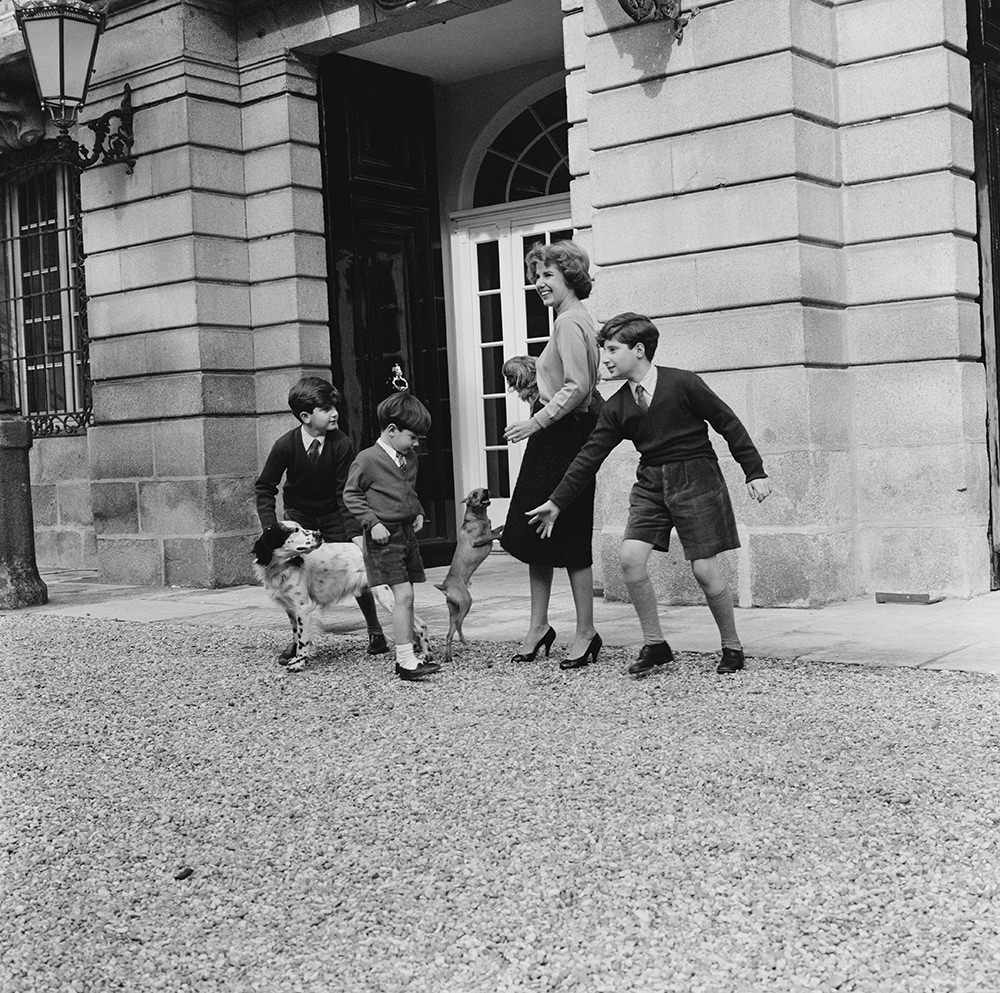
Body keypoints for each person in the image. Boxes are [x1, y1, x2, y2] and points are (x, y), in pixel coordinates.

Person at [527, 312, 772, 676]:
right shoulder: (616, 407)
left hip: (697, 477)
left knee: (705, 570)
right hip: (651, 484)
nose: (604, 358)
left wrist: (754, 471)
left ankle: (732, 645)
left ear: (638, 350)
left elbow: (727, 422)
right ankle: (655, 644)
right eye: (603, 350)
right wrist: (557, 502)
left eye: (612, 349)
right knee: (629, 557)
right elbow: (588, 457)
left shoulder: (683, 384)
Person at [500, 240, 603, 670]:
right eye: (536, 276)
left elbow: (578, 386)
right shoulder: (572, 319)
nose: (539, 283)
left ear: (569, 278)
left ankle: (585, 632)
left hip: (563, 438)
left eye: (548, 276)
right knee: (531, 533)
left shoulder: (569, 322)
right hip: (560, 437)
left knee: (570, 535)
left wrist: (535, 422)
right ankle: (539, 626)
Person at [255, 376, 388, 660]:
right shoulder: (285, 445)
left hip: (334, 513)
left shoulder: (342, 444)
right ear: (305, 416)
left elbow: (345, 492)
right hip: (298, 517)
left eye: (333, 407)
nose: (335, 413)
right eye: (326, 409)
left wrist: (354, 534)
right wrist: (271, 527)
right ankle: (300, 640)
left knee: (355, 569)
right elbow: (265, 488)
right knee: (294, 581)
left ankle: (375, 629)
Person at [343, 391, 441, 681]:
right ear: (391, 430)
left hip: (406, 535)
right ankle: (405, 661)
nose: (416, 444)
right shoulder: (367, 459)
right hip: (383, 538)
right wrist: (371, 523)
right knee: (404, 595)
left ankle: (409, 657)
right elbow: (351, 494)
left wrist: (418, 510)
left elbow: (408, 491)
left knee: (408, 597)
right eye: (412, 437)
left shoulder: (408, 458)